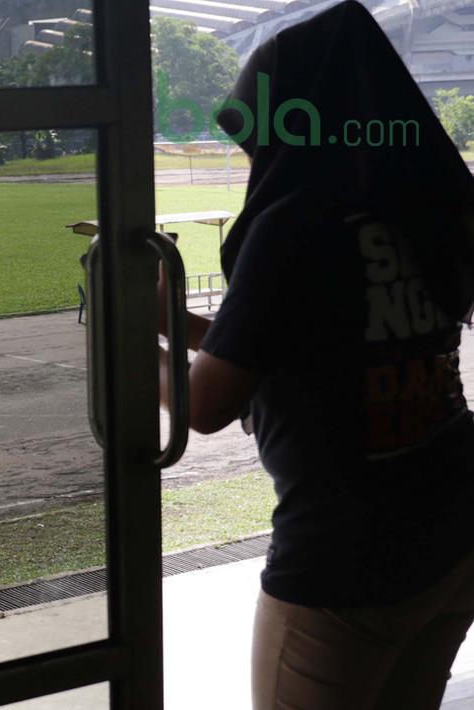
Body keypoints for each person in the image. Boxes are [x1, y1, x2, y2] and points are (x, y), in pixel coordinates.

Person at [157, 3, 474, 707]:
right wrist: (174, 323)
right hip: (453, 525)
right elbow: (312, 348)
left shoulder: (292, 224)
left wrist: (119, 343)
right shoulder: (420, 209)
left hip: (347, 557)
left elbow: (206, 406)